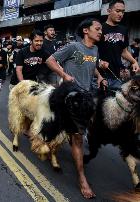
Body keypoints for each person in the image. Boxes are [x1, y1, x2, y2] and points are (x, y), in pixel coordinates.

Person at [46, 18, 107, 199]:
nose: (100, 32)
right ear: (86, 31)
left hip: (87, 97)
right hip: (70, 97)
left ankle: (56, 139)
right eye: (97, 29)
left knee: (75, 134)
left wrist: (100, 76)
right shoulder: (73, 47)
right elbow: (50, 60)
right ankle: (82, 179)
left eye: (101, 29)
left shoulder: (95, 49)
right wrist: (64, 75)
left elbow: (92, 66)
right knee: (78, 137)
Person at [98, 0, 139, 89]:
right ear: (108, 11)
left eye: (123, 12)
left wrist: (134, 61)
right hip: (99, 75)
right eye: (117, 11)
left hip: (116, 75)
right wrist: (98, 61)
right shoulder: (100, 29)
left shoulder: (123, 30)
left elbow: (124, 51)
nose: (120, 14)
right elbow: (90, 50)